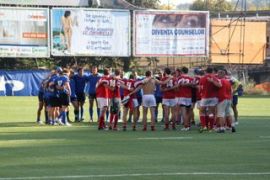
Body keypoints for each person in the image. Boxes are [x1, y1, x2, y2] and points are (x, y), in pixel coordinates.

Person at [199, 66, 221, 132]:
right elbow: (220, 86)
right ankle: (211, 128)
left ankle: (204, 126)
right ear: (212, 71)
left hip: (205, 97)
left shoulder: (202, 78)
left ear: (206, 71)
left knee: (202, 111)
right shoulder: (214, 78)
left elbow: (200, 88)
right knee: (211, 113)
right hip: (214, 97)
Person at [177, 67, 194, 131]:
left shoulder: (180, 78)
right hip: (189, 96)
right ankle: (188, 125)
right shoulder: (190, 78)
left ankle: (185, 126)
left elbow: (178, 86)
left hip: (182, 96)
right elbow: (193, 85)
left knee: (183, 112)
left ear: (182, 71)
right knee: (188, 112)